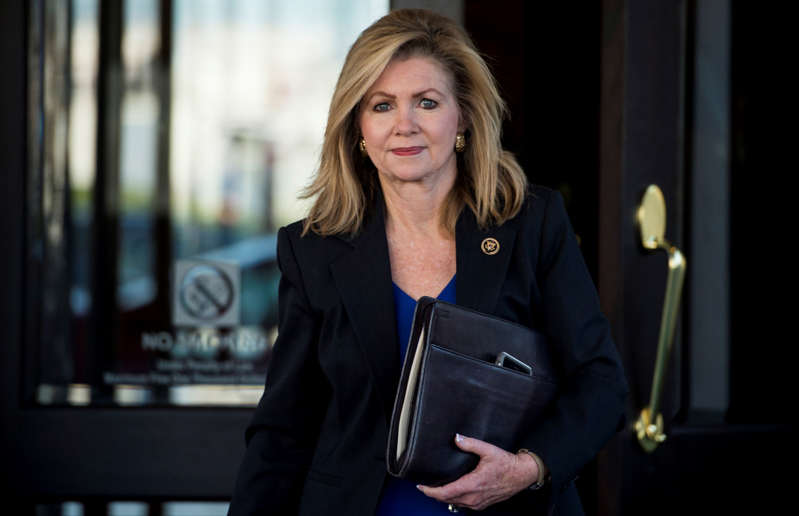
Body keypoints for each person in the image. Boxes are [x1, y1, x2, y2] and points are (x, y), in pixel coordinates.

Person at [228, 8, 628, 516]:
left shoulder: (532, 225)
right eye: (381, 105)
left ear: (461, 115)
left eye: (427, 102)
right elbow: (283, 428)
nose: (405, 125)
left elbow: (600, 382)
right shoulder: (313, 251)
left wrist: (528, 467)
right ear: (357, 127)